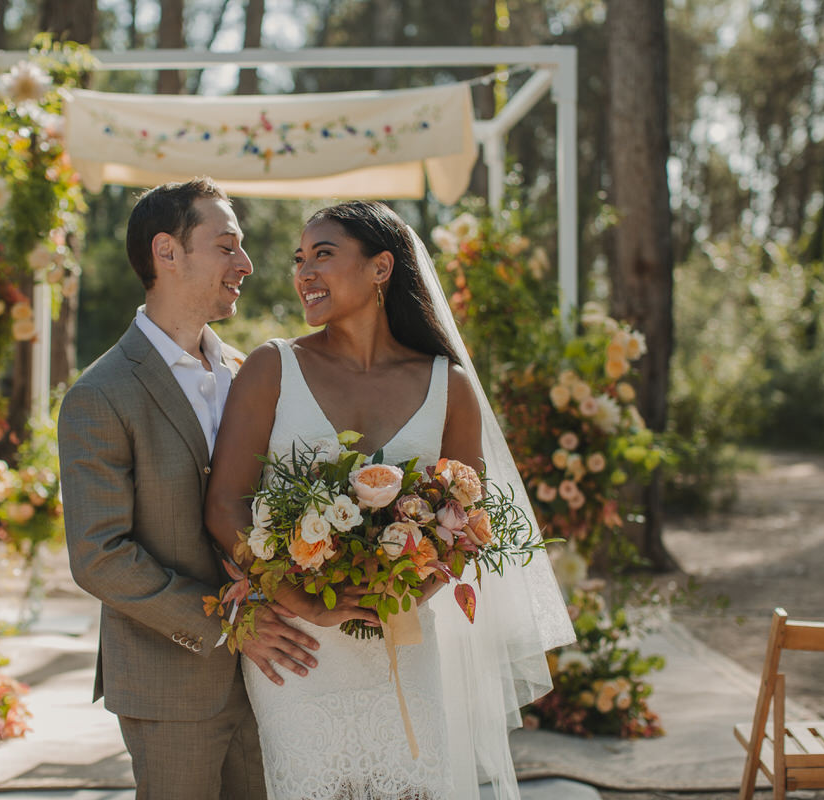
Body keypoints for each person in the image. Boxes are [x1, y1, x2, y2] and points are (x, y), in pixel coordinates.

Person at [205, 201, 574, 800]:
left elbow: (466, 523)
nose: (304, 273)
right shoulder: (274, 366)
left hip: (403, 637)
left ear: (381, 268)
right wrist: (301, 599)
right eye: (299, 259)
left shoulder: (448, 385)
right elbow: (225, 507)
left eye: (323, 255)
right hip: (298, 650)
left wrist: (413, 584)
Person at [58, 177, 319, 800]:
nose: (247, 264)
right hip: (168, 681)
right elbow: (99, 556)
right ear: (167, 253)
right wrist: (233, 622)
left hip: (273, 678)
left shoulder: (247, 375)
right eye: (227, 245)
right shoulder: (99, 395)